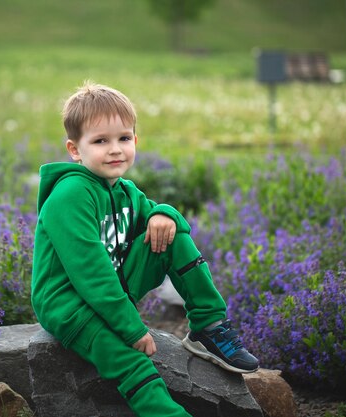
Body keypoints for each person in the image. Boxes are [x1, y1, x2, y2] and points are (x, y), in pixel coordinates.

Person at [31, 81, 258, 417]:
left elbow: (163, 218)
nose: (115, 149)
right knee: (128, 356)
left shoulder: (123, 190)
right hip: (69, 303)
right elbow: (91, 274)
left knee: (169, 233)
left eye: (123, 138)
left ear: (136, 141)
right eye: (100, 141)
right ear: (75, 149)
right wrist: (132, 328)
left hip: (111, 287)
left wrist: (164, 213)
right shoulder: (70, 196)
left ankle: (208, 326)